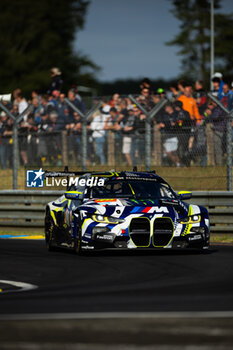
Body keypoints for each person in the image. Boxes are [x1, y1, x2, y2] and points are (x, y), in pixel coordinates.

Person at [173, 100, 194, 166]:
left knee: (184, 148)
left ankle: (186, 163)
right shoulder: (178, 113)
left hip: (184, 133)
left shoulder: (184, 113)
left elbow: (188, 122)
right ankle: (181, 162)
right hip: (180, 133)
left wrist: (180, 123)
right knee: (180, 148)